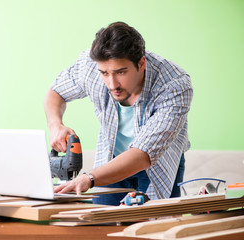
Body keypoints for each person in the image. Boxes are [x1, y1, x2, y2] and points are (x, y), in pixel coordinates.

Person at [44, 21, 193, 205]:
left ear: (141, 63)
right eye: (104, 73)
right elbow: (56, 92)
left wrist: (89, 178)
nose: (112, 84)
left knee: (153, 227)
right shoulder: (89, 67)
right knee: (102, 226)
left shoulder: (175, 84)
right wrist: (55, 124)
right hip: (110, 160)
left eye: (121, 72)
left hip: (157, 162)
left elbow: (143, 154)